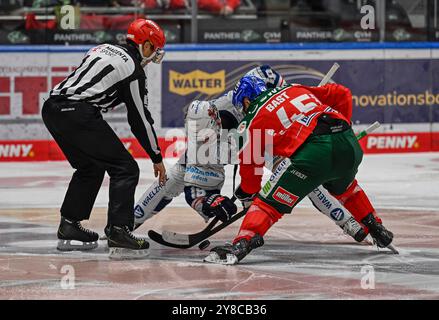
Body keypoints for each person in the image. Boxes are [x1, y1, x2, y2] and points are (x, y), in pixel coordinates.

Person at [134, 65, 366, 245]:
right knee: (174, 176)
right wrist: (210, 203)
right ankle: (127, 224)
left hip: (270, 139)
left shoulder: (251, 90)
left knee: (303, 172)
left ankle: (351, 223)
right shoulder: (203, 137)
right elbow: (196, 189)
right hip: (247, 146)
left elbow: (276, 82)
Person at [204, 76, 394, 265]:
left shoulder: (251, 121)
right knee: (347, 189)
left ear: (246, 100)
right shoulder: (293, 88)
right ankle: (375, 226)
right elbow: (342, 93)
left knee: (267, 204)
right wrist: (346, 128)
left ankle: (241, 244)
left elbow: (251, 168)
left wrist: (250, 193)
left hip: (314, 153)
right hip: (348, 143)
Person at [41, 18, 167, 259]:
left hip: (51, 109)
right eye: (154, 48)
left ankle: (70, 224)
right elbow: (139, 118)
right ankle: (119, 230)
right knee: (125, 168)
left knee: (89, 167)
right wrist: (156, 156)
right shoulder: (133, 69)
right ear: (146, 44)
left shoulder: (101, 48)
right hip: (78, 113)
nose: (153, 56)